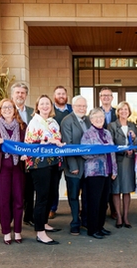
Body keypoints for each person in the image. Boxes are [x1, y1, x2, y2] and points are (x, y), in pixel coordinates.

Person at [24, 95, 65, 245]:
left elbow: (58, 138)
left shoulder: (53, 122)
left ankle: (45, 222)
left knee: (52, 194)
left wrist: (59, 143)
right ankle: (40, 232)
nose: (45, 106)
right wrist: (48, 141)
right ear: (37, 106)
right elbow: (30, 142)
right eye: (42, 104)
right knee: (42, 197)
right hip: (39, 164)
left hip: (54, 162)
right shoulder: (34, 122)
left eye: (47, 103)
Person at [0, 99, 27, 245]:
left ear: (14, 109)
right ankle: (5, 232)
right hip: (1, 167)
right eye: (4, 107)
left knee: (18, 200)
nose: (7, 109)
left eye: (10, 107)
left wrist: (26, 154)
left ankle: (17, 231)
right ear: (0, 110)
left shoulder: (22, 126)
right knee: (4, 201)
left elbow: (27, 146)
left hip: (18, 167)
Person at [81, 108, 117, 239]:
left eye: (101, 117)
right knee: (94, 202)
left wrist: (114, 169)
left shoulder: (107, 133)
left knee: (103, 202)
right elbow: (84, 154)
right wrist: (100, 150)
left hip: (107, 171)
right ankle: (92, 229)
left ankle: (100, 226)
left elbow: (112, 152)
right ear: (91, 119)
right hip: (94, 173)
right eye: (95, 117)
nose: (99, 119)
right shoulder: (87, 134)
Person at [60, 95, 91, 236]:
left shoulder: (89, 120)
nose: (82, 108)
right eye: (79, 106)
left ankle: (85, 220)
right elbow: (68, 144)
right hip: (74, 166)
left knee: (86, 195)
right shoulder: (67, 121)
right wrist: (73, 166)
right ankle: (74, 222)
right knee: (73, 196)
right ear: (73, 106)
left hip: (88, 166)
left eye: (84, 106)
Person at [107, 101, 137, 229]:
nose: (124, 111)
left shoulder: (132, 125)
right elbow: (110, 144)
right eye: (121, 109)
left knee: (126, 190)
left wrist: (134, 139)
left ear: (129, 111)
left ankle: (126, 216)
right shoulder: (112, 126)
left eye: (126, 109)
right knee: (116, 190)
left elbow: (136, 143)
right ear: (118, 112)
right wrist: (123, 150)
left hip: (129, 161)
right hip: (117, 161)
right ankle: (118, 216)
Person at [10, 82, 35, 227]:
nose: (20, 95)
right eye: (17, 92)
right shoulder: (7, 110)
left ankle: (28, 216)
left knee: (29, 188)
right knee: (14, 189)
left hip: (30, 156)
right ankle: (13, 218)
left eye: (23, 93)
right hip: (13, 157)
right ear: (12, 94)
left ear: (26, 95)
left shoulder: (32, 112)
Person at [49, 85, 73, 220]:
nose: (61, 96)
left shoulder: (71, 109)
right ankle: (52, 208)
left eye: (63, 94)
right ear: (54, 96)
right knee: (54, 182)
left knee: (72, 182)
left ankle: (75, 207)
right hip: (54, 153)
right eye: (58, 94)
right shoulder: (50, 110)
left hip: (70, 152)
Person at [99, 87, 117, 219]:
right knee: (102, 181)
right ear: (100, 97)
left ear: (112, 98)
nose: (106, 97)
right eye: (103, 95)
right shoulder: (94, 112)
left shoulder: (118, 112)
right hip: (99, 153)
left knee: (112, 180)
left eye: (108, 95)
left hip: (114, 151)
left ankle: (114, 210)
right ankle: (102, 209)